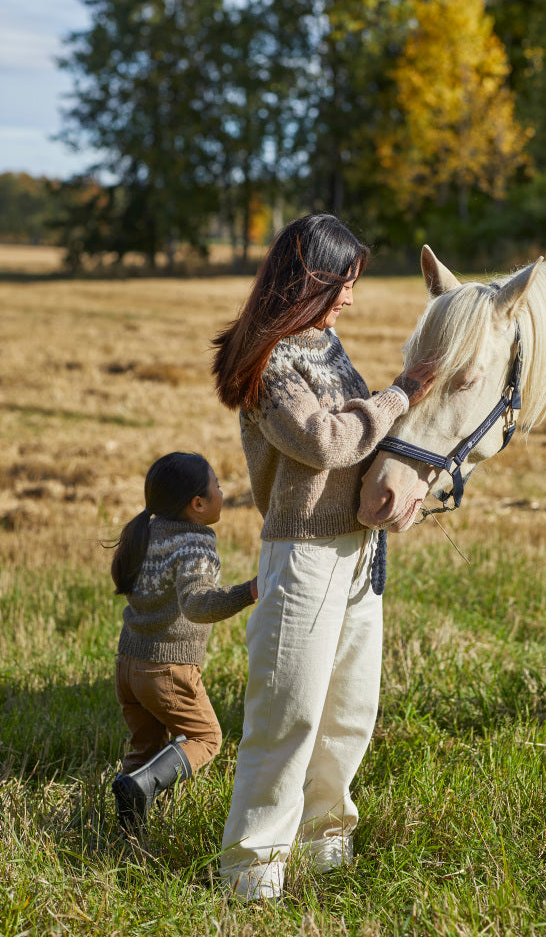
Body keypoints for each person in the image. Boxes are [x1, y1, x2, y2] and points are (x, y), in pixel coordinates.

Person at [211, 213, 435, 900]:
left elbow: (358, 442)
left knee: (348, 711)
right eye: (342, 283)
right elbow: (325, 442)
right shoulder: (271, 363)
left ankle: (324, 843)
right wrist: (398, 394)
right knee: (287, 714)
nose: (349, 297)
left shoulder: (325, 345)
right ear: (307, 282)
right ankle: (252, 872)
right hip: (303, 556)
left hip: (357, 554)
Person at [110, 451, 258, 832]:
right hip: (167, 668)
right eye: (218, 487)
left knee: (145, 750)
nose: (223, 493)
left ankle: (128, 831)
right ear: (197, 504)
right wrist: (249, 591)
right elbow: (198, 604)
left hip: (128, 664)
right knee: (206, 738)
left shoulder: (147, 531)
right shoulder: (196, 543)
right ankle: (144, 786)